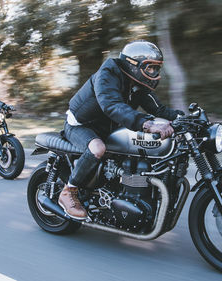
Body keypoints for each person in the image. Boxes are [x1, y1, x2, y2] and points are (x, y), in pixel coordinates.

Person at [59, 40, 184, 220]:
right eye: (150, 68)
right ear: (134, 65)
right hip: (81, 125)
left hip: (108, 127)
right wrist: (147, 124)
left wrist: (184, 118)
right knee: (97, 148)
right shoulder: (108, 74)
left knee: (134, 151)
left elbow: (159, 110)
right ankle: (68, 190)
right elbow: (111, 105)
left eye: (156, 68)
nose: (154, 73)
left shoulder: (137, 85)